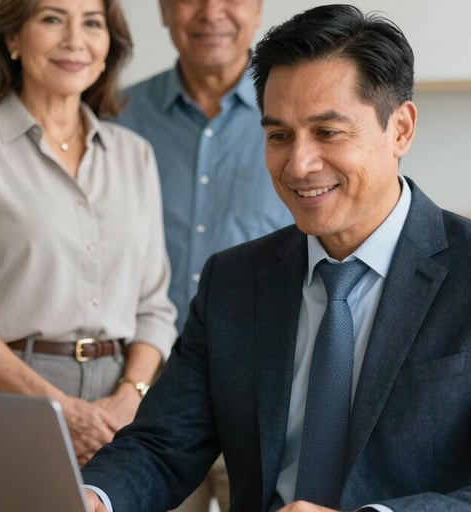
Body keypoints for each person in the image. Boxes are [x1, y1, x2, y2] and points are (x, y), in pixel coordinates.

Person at [80, 4, 471, 512]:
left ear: (401, 128)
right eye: (278, 136)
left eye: (328, 133)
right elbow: (162, 447)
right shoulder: (234, 280)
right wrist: (92, 497)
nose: (298, 164)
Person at [0, 0, 177, 467]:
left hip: (119, 412)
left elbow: (154, 305)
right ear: (12, 37)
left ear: (108, 45)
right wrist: (58, 409)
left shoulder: (135, 155)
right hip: (3, 397)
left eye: (92, 23)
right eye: (52, 18)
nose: (75, 40)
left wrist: (130, 397)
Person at [114, 1, 292, 510]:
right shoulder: (115, 117)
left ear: (257, 10)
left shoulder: (291, 120)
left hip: (265, 391)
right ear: (165, 12)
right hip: (149, 399)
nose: (211, 12)